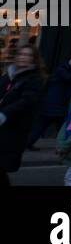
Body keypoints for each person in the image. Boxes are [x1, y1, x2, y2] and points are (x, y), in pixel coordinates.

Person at [0, 45, 44, 185]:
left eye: (28, 55)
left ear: (33, 59)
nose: (23, 57)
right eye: (21, 54)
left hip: (14, 130)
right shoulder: (9, 75)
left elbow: (27, 101)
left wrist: (4, 113)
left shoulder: (34, 79)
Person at [29, 51, 71, 148]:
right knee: (57, 126)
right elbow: (69, 78)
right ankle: (67, 144)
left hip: (56, 104)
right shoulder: (64, 71)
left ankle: (29, 143)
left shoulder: (63, 70)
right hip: (54, 105)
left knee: (46, 126)